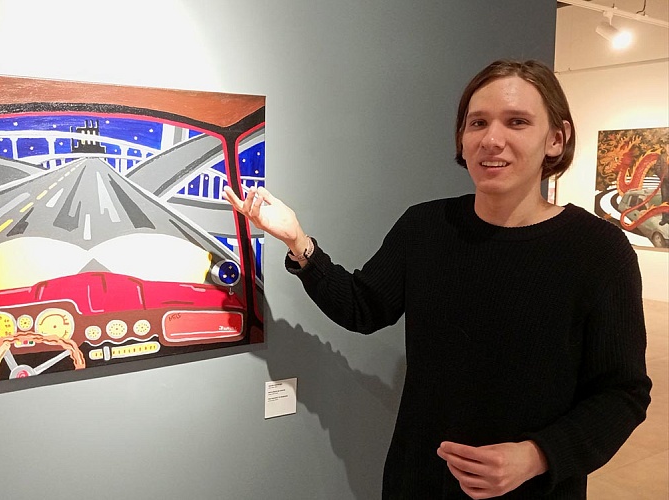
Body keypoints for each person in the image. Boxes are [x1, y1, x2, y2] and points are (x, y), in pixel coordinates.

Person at [223, 59, 651, 499]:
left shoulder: (598, 250)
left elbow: (623, 393)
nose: (491, 139)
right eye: (477, 123)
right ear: (461, 138)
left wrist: (536, 455)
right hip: (419, 482)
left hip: (533, 491)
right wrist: (297, 240)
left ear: (556, 139)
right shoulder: (426, 227)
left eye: (517, 122)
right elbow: (363, 307)